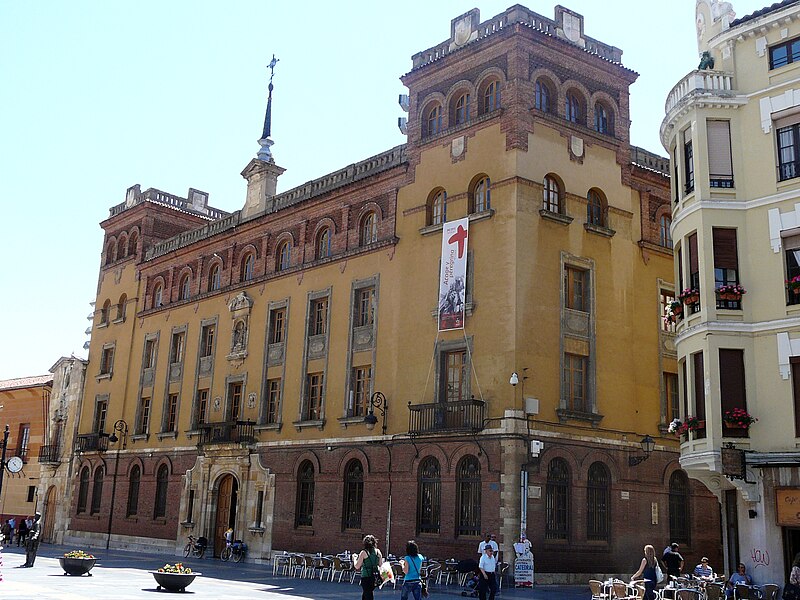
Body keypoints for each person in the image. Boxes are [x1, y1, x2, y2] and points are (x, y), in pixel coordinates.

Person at [354, 534, 383, 600]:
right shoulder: (378, 552)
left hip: (366, 576)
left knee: (368, 595)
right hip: (374, 577)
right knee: (366, 594)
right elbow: (381, 565)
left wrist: (354, 559)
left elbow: (357, 566)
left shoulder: (363, 552)